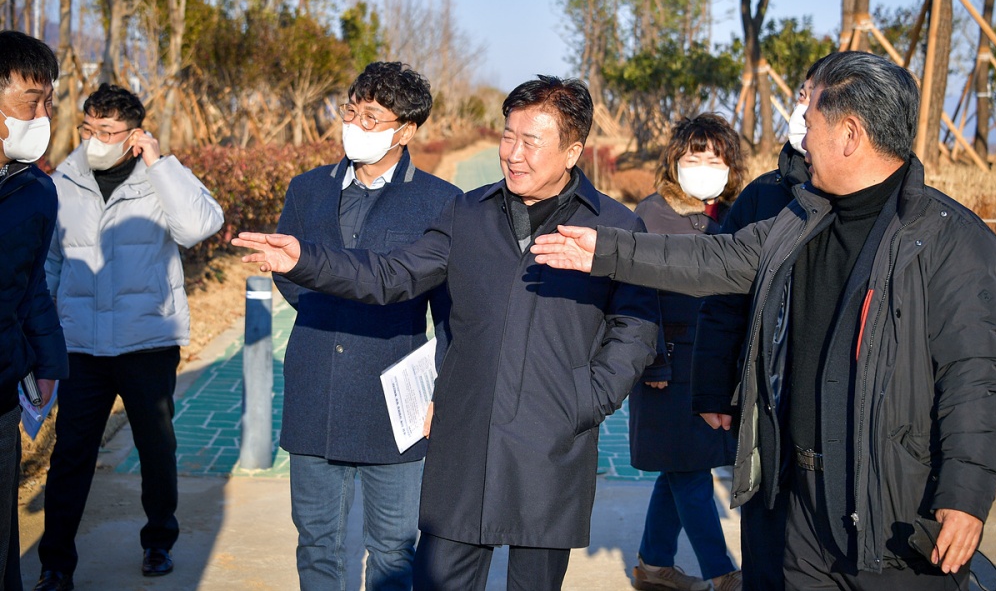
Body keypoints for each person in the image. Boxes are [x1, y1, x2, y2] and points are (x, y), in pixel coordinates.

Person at [532, 51, 996, 589]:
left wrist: (964, 495)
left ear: (849, 134)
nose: (800, 132)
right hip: (794, 497)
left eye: (812, 119)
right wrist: (606, 251)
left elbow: (975, 379)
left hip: (892, 510)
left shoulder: (950, 240)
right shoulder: (800, 217)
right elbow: (713, 261)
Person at [233, 75, 659, 591]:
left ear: (572, 151)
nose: (513, 154)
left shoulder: (613, 226)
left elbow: (636, 323)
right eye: (508, 136)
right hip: (465, 438)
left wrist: (589, 397)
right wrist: (307, 260)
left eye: (531, 142)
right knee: (438, 580)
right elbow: (392, 276)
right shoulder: (467, 214)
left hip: (550, 440)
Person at [273, 61, 459, 591]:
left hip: (395, 395)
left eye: (372, 116)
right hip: (313, 382)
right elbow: (291, 273)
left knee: (395, 546)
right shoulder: (307, 189)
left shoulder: (440, 201)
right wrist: (326, 310)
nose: (354, 123)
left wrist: (440, 387)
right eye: (351, 111)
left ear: (406, 130)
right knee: (316, 539)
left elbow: (451, 309)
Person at [36, 83, 224, 590]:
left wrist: (161, 165)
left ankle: (159, 540)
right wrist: (47, 336)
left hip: (147, 342)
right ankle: (55, 562)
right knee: (71, 454)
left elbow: (199, 225)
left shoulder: (159, 178)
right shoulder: (62, 182)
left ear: (134, 134)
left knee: (156, 447)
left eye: (110, 131)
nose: (96, 139)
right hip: (81, 346)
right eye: (89, 128)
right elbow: (51, 262)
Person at [690, 61, 820, 591]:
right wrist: (711, 387)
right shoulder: (765, 196)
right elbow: (723, 299)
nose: (804, 112)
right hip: (765, 399)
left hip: (837, 406)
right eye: (802, 96)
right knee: (766, 532)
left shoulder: (902, 209)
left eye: (817, 99)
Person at [629, 114, 744, 591]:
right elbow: (637, 291)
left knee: (679, 467)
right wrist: (653, 358)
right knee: (691, 470)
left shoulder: (733, 215)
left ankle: (653, 565)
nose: (703, 165)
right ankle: (723, 573)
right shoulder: (651, 214)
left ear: (729, 166)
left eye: (714, 157)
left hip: (711, 363)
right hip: (669, 364)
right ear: (674, 160)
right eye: (693, 156)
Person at [0, 30, 69, 591]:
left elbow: (30, 289)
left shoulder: (36, 191)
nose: (43, 114)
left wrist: (47, 362)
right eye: (31, 100)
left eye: (48, 101)